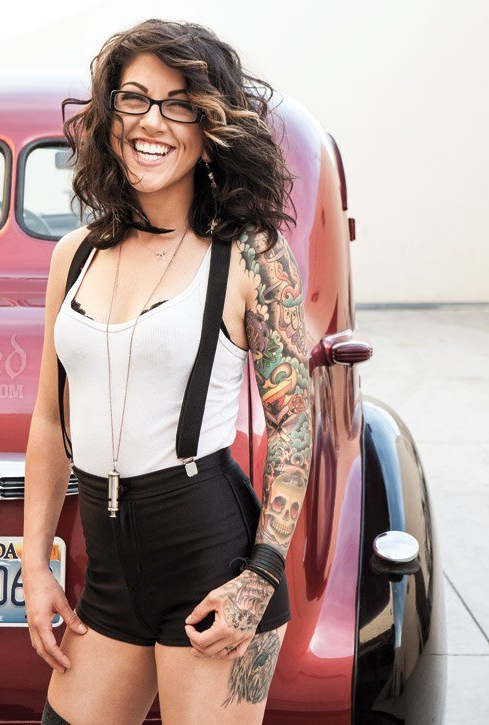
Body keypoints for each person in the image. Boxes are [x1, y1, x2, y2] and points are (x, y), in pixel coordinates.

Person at [22, 18, 312, 725]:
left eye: (179, 104)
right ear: (108, 115)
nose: (152, 122)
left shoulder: (249, 254)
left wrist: (259, 578)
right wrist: (34, 565)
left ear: (210, 127)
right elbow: (51, 421)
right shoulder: (74, 255)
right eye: (135, 99)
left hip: (213, 564)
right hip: (110, 573)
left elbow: (293, 426)